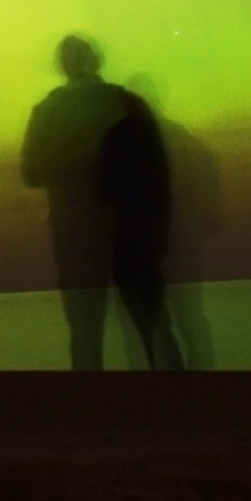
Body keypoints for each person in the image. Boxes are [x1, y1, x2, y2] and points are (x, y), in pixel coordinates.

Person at [21, 34, 183, 370]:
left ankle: (91, 410)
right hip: (130, 231)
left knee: (85, 334)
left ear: (62, 65)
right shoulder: (125, 103)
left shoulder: (48, 110)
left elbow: (31, 173)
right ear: (96, 60)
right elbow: (157, 173)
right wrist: (158, 229)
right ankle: (179, 404)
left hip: (75, 234)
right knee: (153, 326)